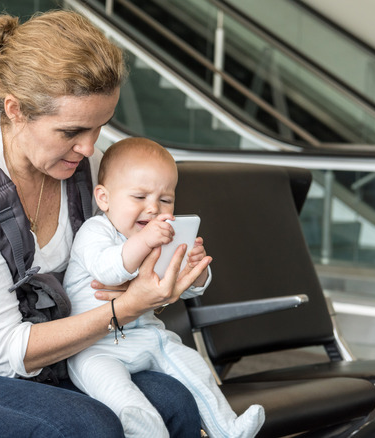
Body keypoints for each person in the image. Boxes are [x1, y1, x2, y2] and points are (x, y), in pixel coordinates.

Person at [0, 10, 211, 437]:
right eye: (71, 131)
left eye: (100, 126)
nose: (88, 147)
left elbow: (125, 273)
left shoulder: (88, 167)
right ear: (16, 110)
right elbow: (8, 352)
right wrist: (127, 306)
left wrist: (157, 279)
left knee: (175, 401)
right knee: (88, 427)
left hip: (62, 351)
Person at [64, 137, 265, 438]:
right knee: (118, 393)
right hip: (94, 345)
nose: (153, 209)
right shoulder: (95, 232)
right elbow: (109, 270)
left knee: (193, 368)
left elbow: (181, 289)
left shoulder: (162, 235)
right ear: (104, 198)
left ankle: (227, 429)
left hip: (147, 335)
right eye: (139, 197)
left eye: (165, 200)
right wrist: (145, 242)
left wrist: (195, 271)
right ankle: (146, 429)